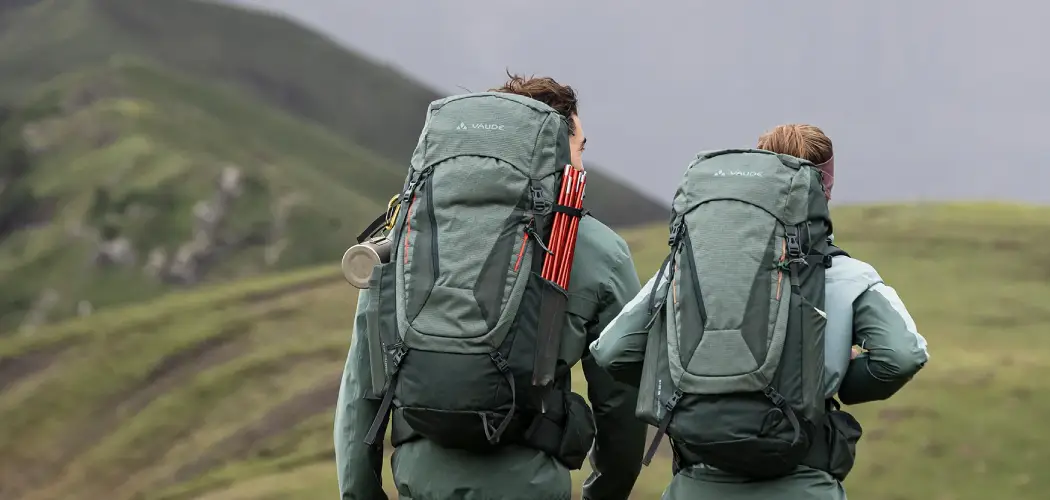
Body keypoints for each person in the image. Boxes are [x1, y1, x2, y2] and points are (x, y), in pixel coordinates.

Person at [335, 73, 649, 500]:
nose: (582, 165)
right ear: (552, 151)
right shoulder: (598, 250)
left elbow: (361, 387)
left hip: (419, 485)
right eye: (579, 147)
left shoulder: (407, 236)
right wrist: (605, 491)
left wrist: (360, 494)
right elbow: (622, 400)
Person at [589, 124, 930, 499]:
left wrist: (687, 386)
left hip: (696, 485)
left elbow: (612, 350)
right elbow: (902, 355)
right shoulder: (848, 275)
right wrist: (827, 379)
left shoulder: (685, 269)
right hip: (803, 485)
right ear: (824, 191)